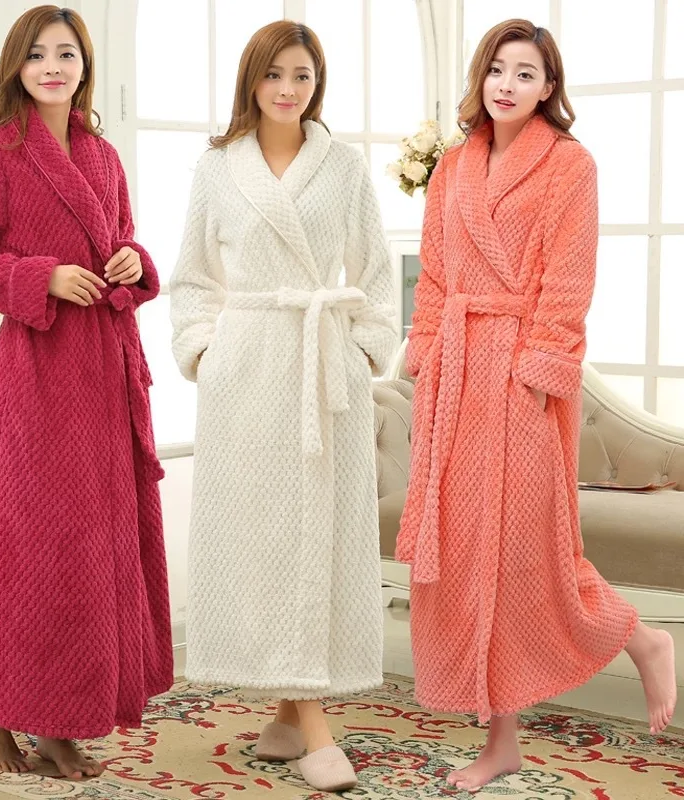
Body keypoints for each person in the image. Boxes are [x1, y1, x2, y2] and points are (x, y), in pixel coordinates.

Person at [396, 19, 677, 792]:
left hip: (521, 381)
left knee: (534, 557)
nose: (507, 85)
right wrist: (425, 361)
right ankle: (502, 742)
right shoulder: (454, 167)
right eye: (497, 69)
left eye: (526, 73)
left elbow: (569, 280)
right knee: (470, 559)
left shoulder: (568, 165)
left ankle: (642, 639)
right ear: (480, 77)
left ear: (549, 87)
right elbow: (436, 279)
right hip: (457, 379)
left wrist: (534, 375)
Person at [0, 4, 173, 779]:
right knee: (33, 546)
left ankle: (59, 718)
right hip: (37, 375)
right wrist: (41, 277)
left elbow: (121, 242)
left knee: (89, 554)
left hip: (105, 373)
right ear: (16, 64)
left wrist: (132, 262)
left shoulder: (101, 154)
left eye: (66, 54)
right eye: (37, 54)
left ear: (84, 66)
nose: (52, 66)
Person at [169, 20, 397, 793]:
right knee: (261, 537)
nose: (288, 89)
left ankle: (303, 721)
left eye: (302, 75)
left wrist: (365, 350)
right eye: (274, 75)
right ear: (252, 81)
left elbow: (375, 269)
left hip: (321, 366)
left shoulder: (344, 167)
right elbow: (194, 276)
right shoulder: (218, 168)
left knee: (317, 536)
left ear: (317, 82)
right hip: (247, 372)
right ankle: (300, 719)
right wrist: (205, 353)